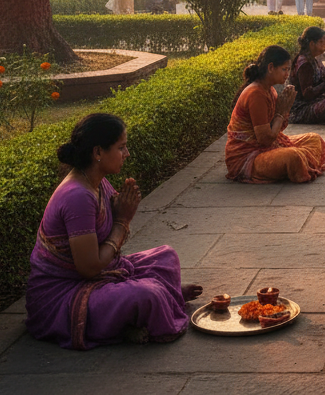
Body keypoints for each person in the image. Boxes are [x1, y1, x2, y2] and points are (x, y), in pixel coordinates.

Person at [25, 113, 197, 349]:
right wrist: (122, 222)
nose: (127, 154)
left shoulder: (96, 180)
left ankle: (163, 300)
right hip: (63, 295)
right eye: (121, 147)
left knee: (166, 256)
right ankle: (149, 308)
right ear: (97, 153)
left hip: (100, 274)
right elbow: (89, 268)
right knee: (149, 295)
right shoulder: (78, 196)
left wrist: (121, 213)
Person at [226, 45, 325, 183]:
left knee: (314, 139)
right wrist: (281, 112)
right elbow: (265, 139)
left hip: (267, 147)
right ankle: (297, 165)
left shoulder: (270, 90)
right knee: (293, 157)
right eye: (284, 69)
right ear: (270, 68)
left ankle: (298, 164)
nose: (287, 74)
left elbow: (276, 130)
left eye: (288, 69)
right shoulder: (255, 94)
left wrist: (285, 110)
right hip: (247, 157)